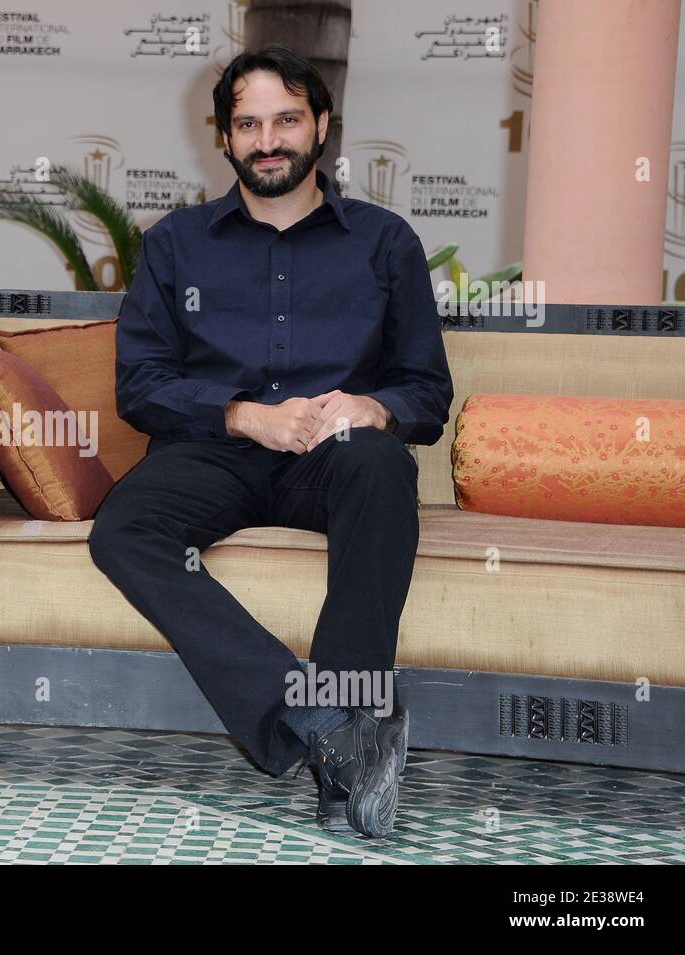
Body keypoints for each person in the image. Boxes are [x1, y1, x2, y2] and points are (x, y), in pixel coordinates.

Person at [89, 46, 454, 838]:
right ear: (223, 138)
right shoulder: (177, 243)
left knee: (381, 465)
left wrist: (372, 406)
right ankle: (328, 731)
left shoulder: (385, 242)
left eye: (286, 120)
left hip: (334, 459)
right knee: (124, 526)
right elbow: (141, 387)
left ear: (320, 125)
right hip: (215, 453)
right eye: (248, 124)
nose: (267, 140)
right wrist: (246, 415)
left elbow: (427, 390)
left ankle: (345, 730)